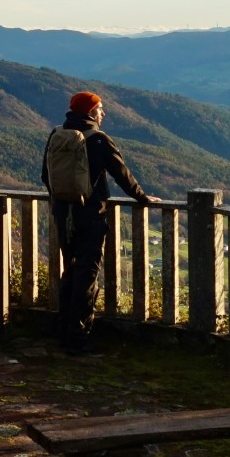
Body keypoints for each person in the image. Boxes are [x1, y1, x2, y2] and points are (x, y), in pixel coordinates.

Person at [41, 91, 160, 354]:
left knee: (70, 273)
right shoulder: (98, 140)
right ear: (90, 112)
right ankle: (78, 339)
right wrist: (143, 197)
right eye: (100, 108)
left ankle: (63, 331)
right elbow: (122, 175)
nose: (103, 113)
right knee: (87, 276)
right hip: (91, 216)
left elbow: (45, 175)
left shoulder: (56, 134)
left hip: (63, 215)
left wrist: (62, 202)